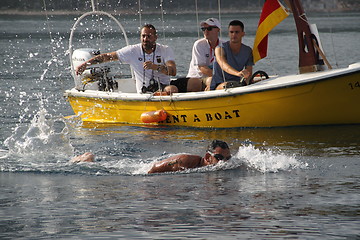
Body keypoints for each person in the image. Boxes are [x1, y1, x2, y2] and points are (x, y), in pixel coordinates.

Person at [75, 24, 178, 94]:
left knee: (179, 87)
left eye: (149, 36)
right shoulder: (132, 50)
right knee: (170, 90)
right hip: (145, 91)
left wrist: (155, 67)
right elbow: (107, 57)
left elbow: (172, 71)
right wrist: (85, 64)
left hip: (163, 86)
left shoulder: (165, 50)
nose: (145, 39)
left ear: (155, 37)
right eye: (143, 36)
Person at [70, 140, 231, 174]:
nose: (224, 163)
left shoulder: (205, 167)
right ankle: (86, 159)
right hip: (141, 171)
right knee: (108, 169)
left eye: (227, 159)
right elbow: (153, 169)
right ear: (208, 157)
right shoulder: (185, 161)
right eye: (220, 158)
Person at [170, 18, 223, 92]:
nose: (206, 31)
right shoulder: (199, 44)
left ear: (218, 30)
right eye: (203, 29)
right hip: (197, 78)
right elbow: (202, 67)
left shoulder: (224, 45)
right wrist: (220, 78)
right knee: (212, 81)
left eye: (209, 28)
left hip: (212, 78)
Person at [210, 20, 254, 90]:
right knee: (230, 85)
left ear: (243, 34)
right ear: (228, 34)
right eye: (231, 32)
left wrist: (248, 81)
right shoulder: (219, 48)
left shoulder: (248, 51)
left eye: (237, 32)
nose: (234, 35)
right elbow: (223, 65)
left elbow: (249, 73)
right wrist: (237, 73)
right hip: (220, 83)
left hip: (238, 83)